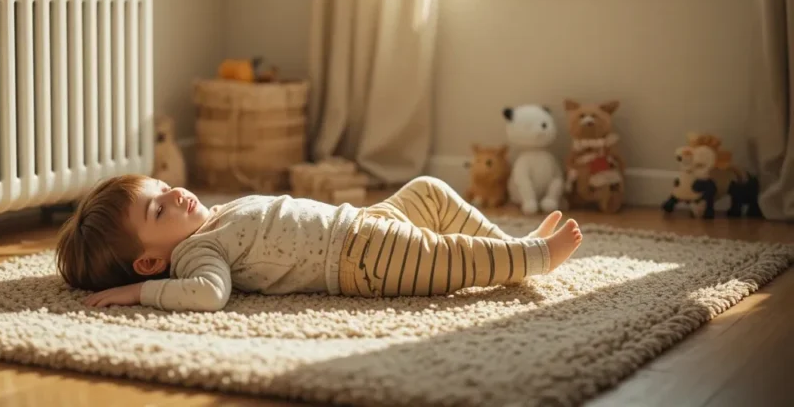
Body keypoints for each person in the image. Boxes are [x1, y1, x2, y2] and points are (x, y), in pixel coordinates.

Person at [54, 175, 583, 312]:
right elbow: (209, 296)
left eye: (161, 187)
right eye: (157, 209)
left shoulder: (210, 218)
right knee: (439, 256)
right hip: (360, 261)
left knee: (429, 193)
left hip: (362, 222)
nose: (173, 194)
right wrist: (137, 294)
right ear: (150, 261)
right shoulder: (197, 255)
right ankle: (531, 260)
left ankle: (506, 243)